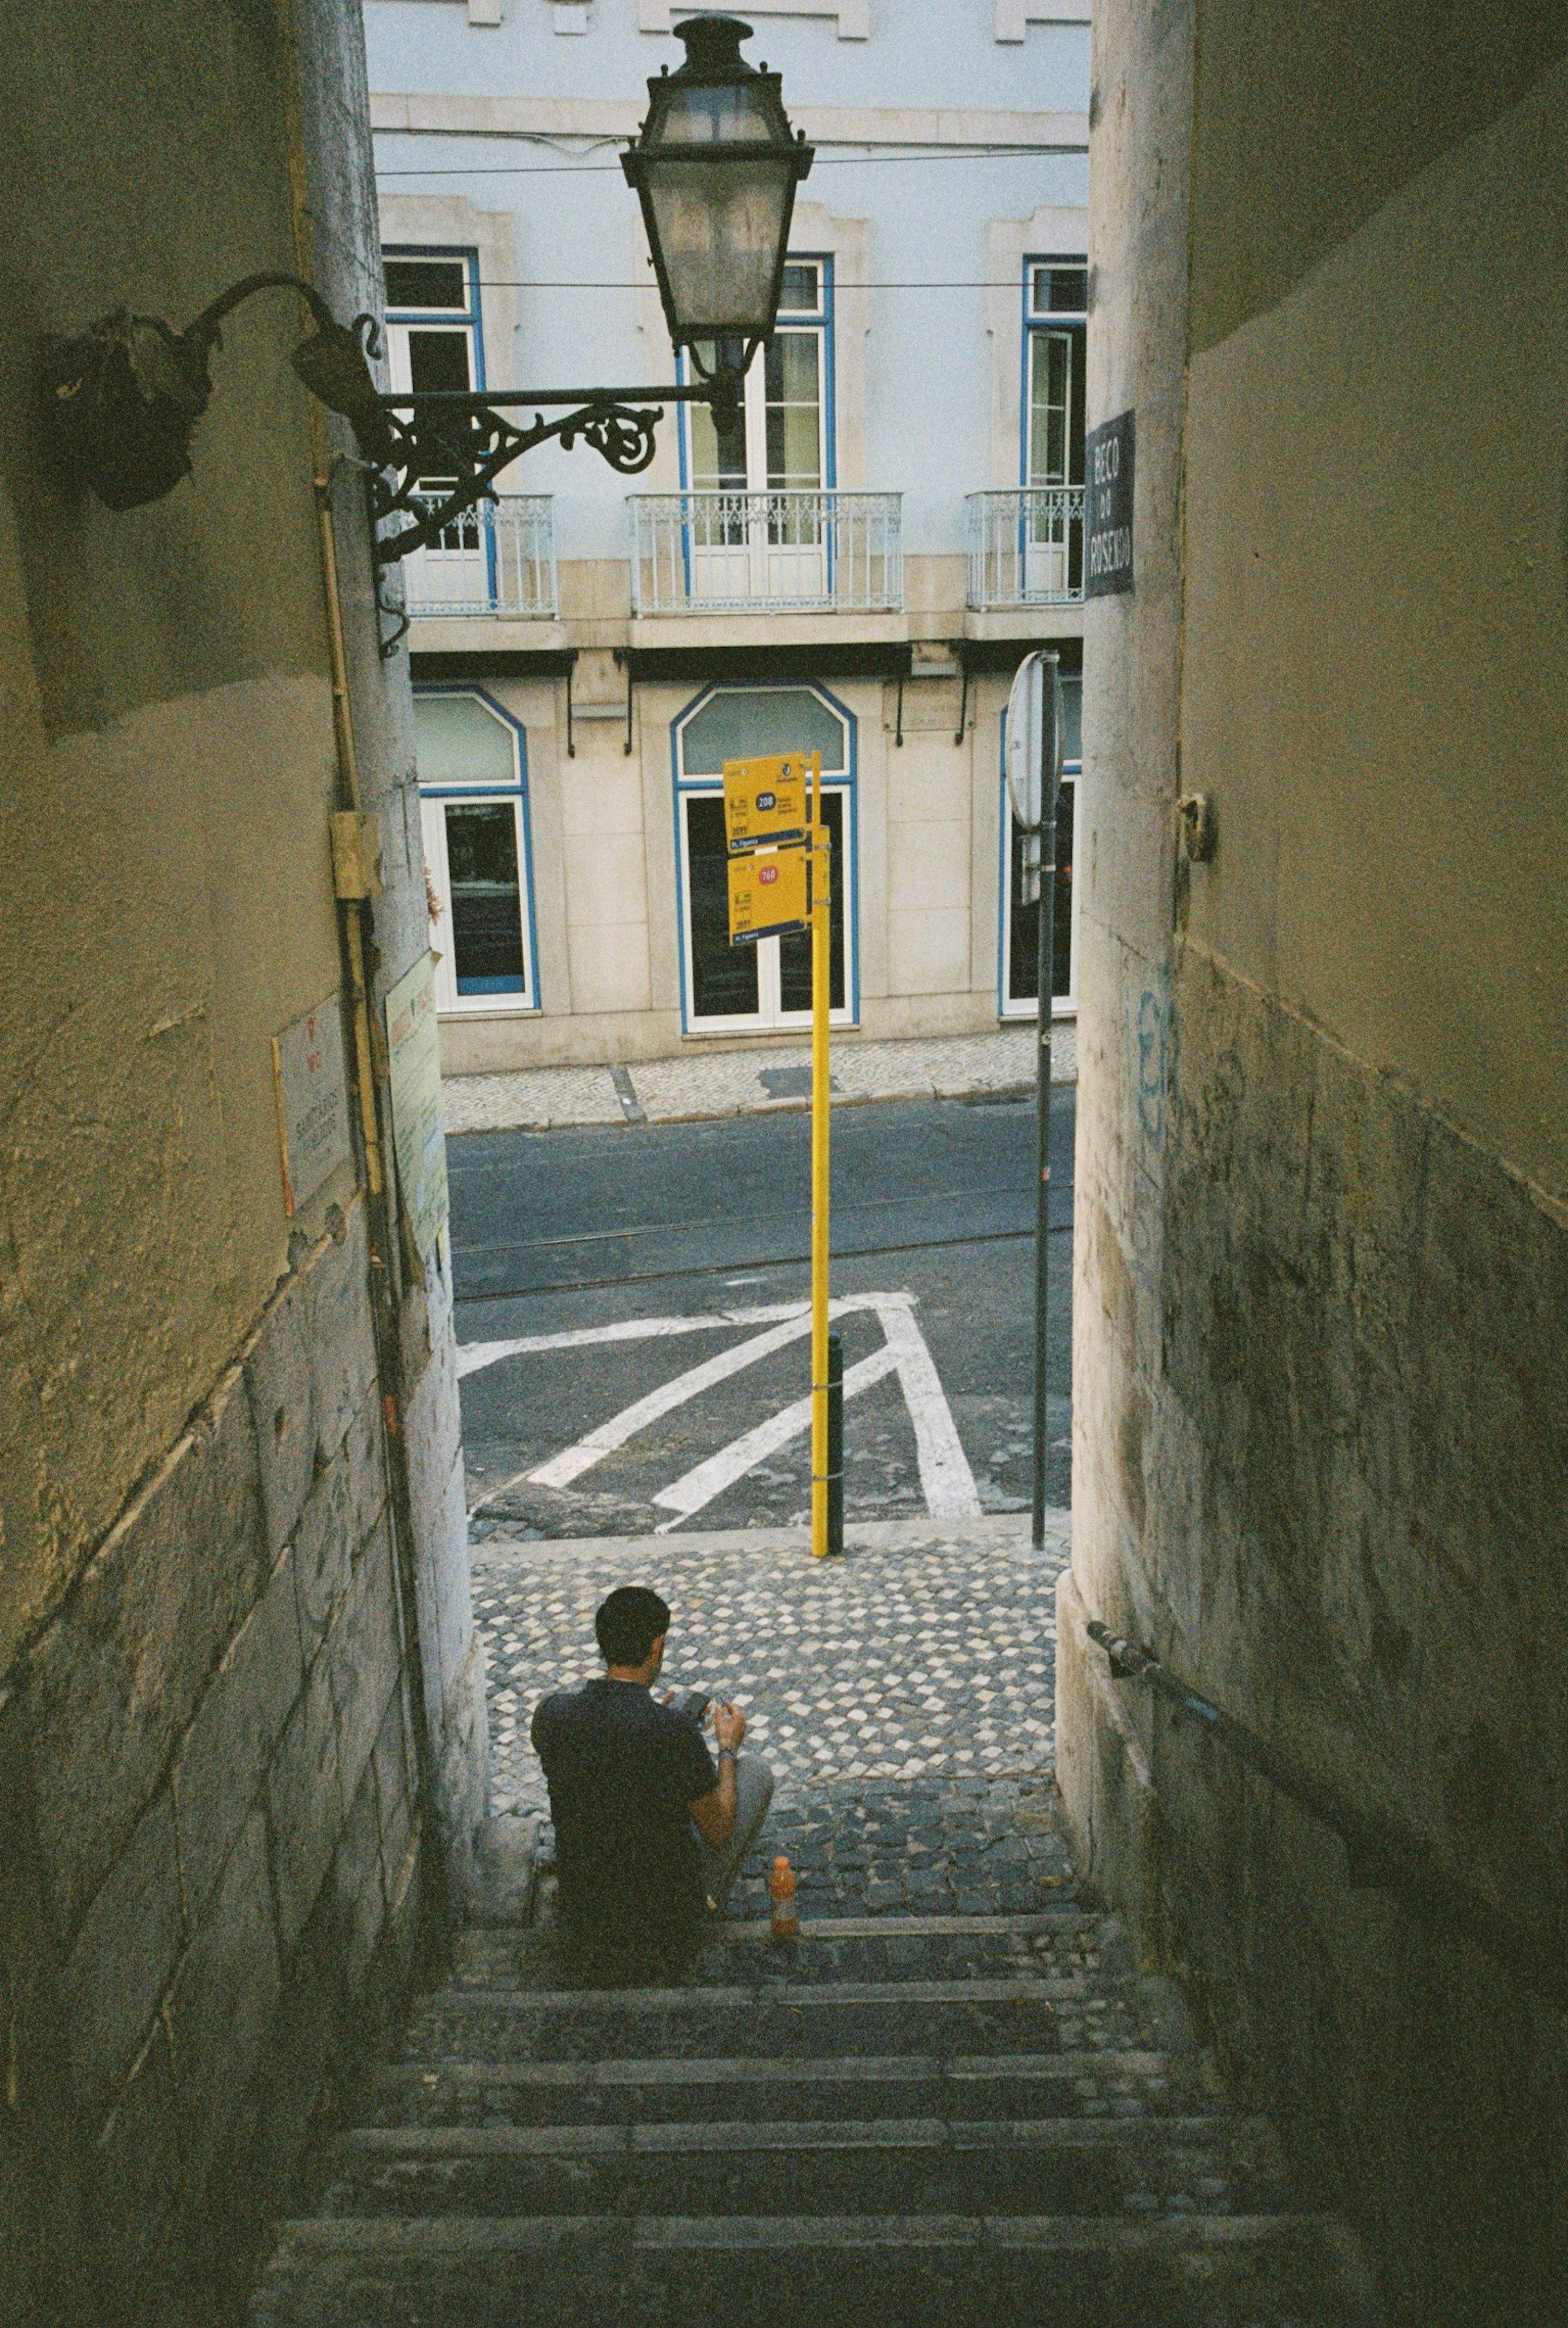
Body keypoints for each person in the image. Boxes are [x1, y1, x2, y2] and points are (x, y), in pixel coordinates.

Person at [530, 1584, 775, 1977]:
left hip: (584, 1911)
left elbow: (605, 1757)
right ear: (656, 1645)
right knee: (756, 1772)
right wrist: (726, 1748)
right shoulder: (673, 1732)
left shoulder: (552, 1715)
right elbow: (719, 1828)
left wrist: (652, 1723)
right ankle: (705, 1910)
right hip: (660, 1921)